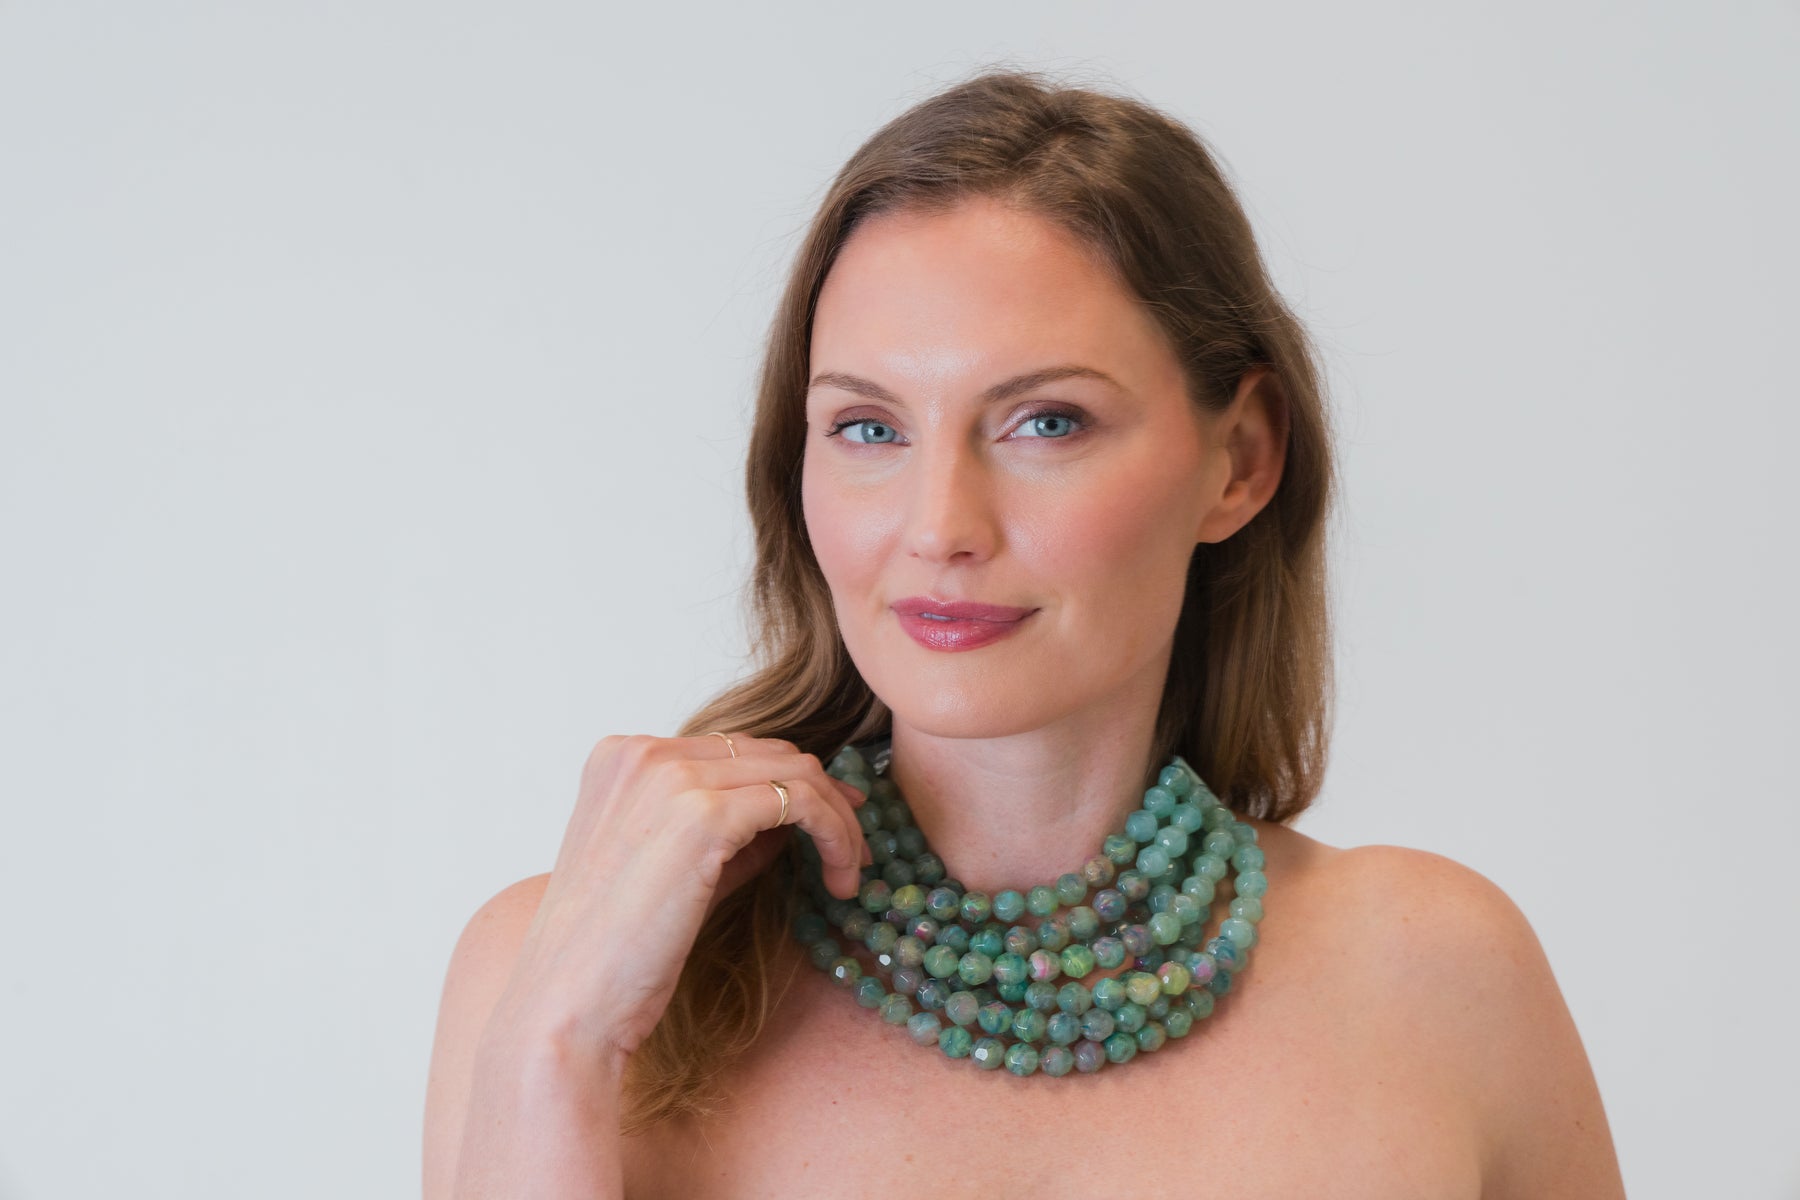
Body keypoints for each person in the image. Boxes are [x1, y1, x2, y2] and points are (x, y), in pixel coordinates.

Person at [422, 67, 1625, 1198]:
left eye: (1045, 422)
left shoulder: (1438, 977)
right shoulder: (550, 970)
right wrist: (554, 1052)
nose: (940, 525)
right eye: (869, 428)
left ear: (1241, 459)